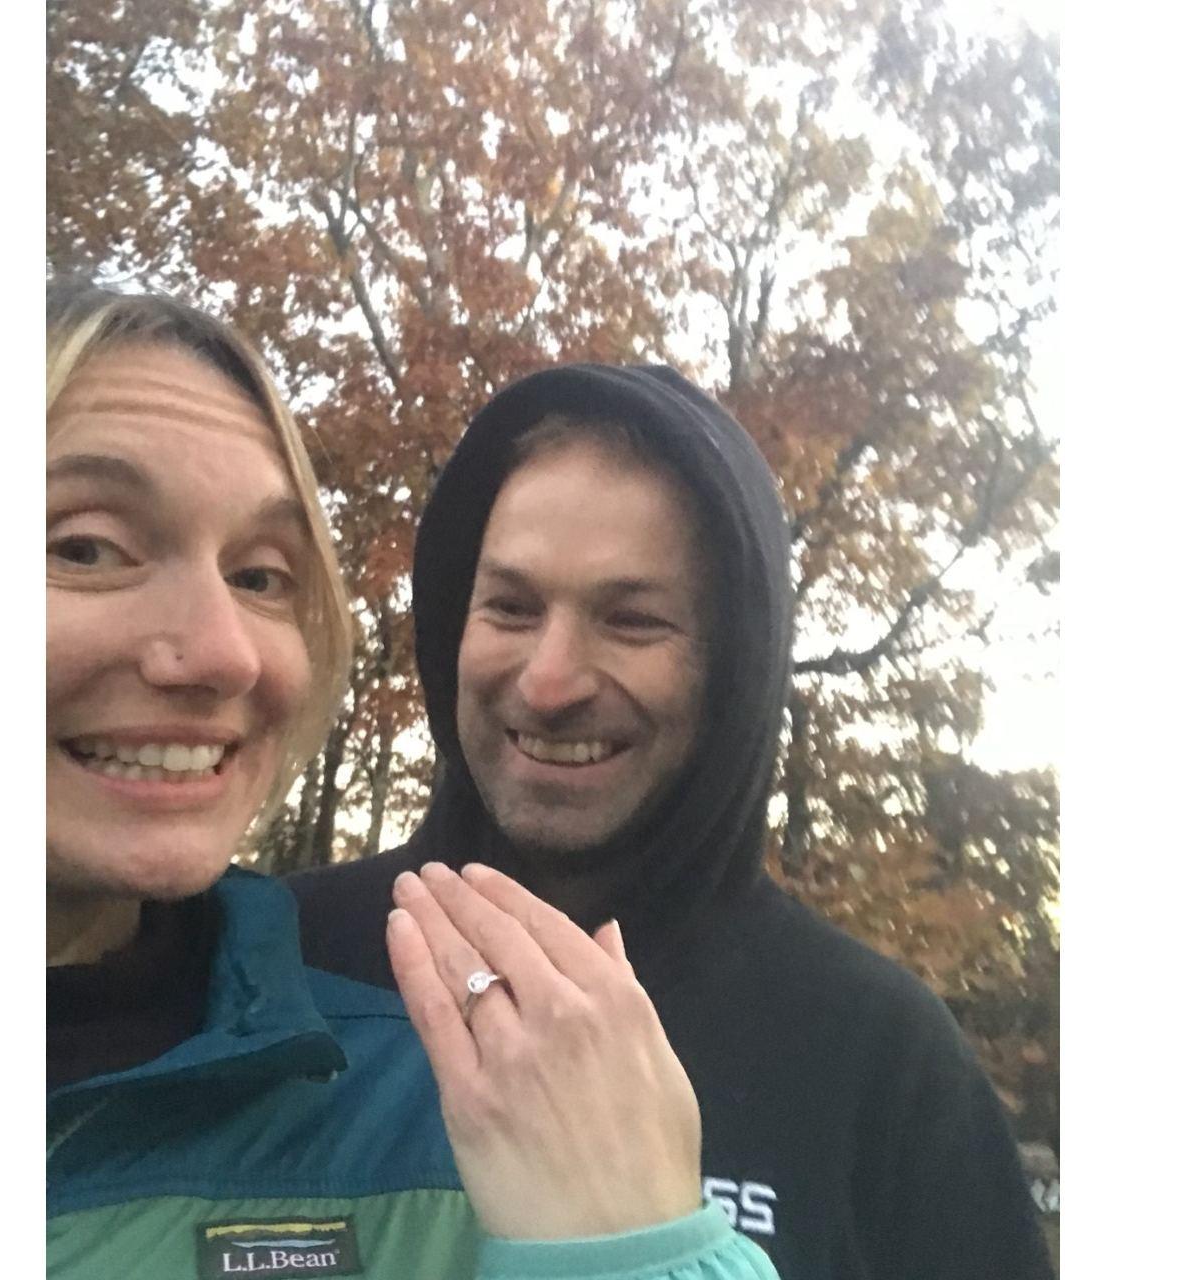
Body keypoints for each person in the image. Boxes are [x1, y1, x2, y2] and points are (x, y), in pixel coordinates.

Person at [45, 281, 780, 1280]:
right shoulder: (334, 983)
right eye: (85, 547)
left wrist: (640, 1256)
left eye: (261, 573)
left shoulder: (427, 1119)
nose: (224, 653)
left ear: (738, 663)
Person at [290, 364, 1056, 1280]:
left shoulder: (878, 1057)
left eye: (633, 620)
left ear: (734, 668)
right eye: (512, 606)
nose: (548, 680)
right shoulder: (276, 969)